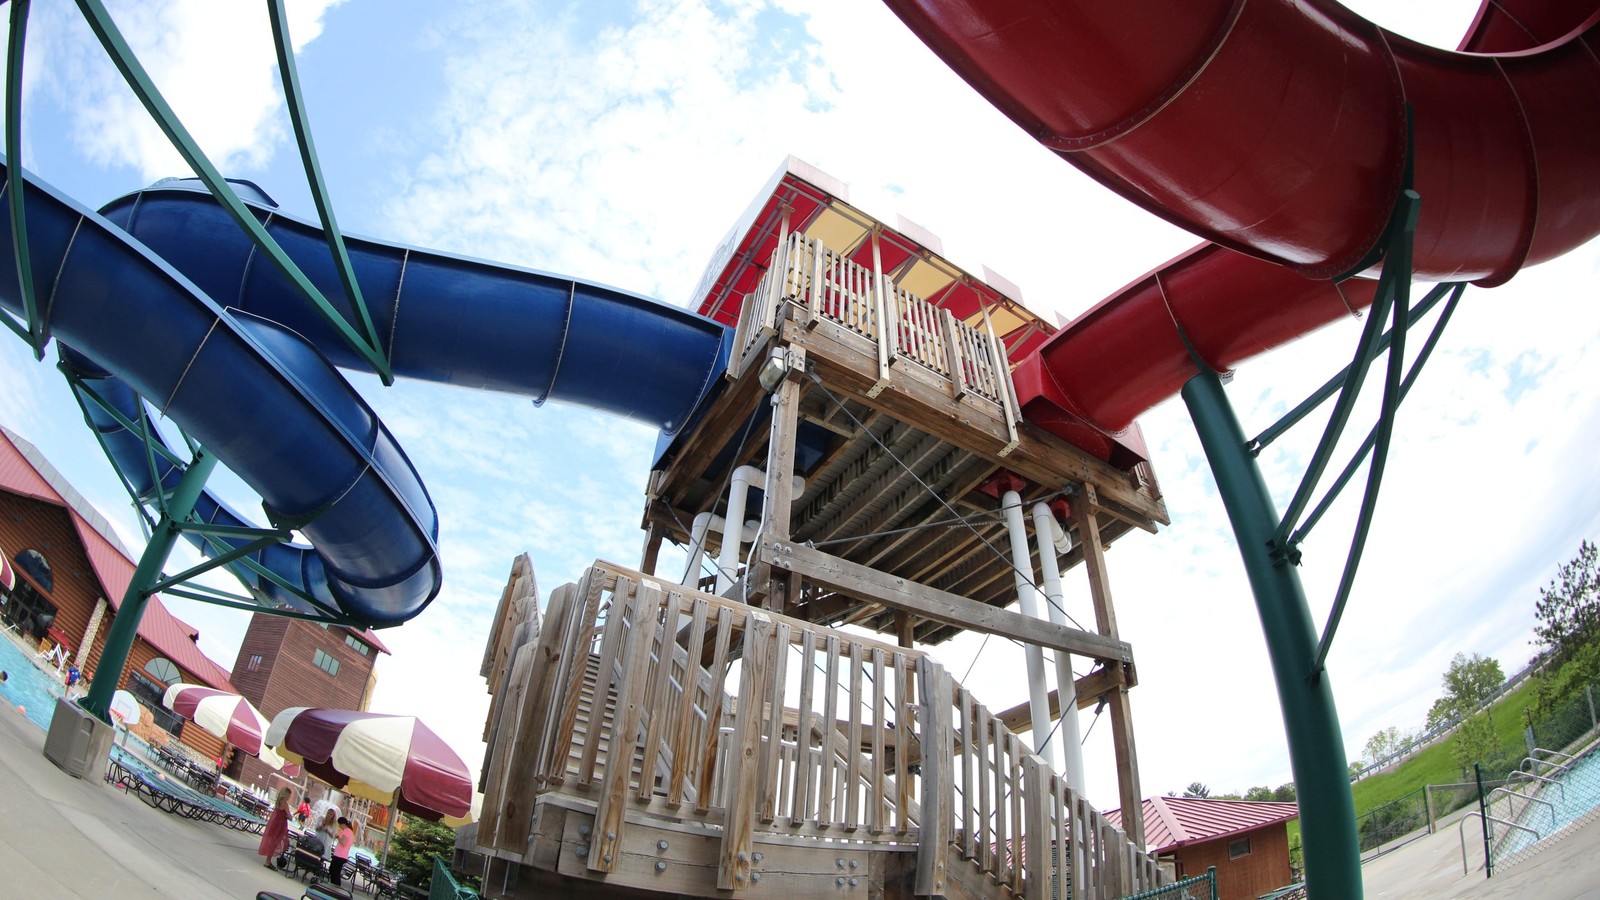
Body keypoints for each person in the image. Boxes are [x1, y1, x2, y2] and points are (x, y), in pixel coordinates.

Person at [259, 788, 293, 869]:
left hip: (274, 823)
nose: (289, 797)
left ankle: (268, 860)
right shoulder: (285, 803)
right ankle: (267, 861)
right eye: (289, 795)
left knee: (271, 841)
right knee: (275, 842)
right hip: (280, 825)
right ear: (286, 795)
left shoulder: (278, 801)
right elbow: (289, 816)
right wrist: (289, 817)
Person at [327, 816, 356, 885]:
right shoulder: (349, 831)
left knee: (335, 872)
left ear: (342, 824)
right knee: (333, 870)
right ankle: (333, 884)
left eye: (339, 825)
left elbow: (343, 842)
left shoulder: (347, 831)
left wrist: (338, 837)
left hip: (340, 855)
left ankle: (335, 886)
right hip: (340, 855)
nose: (339, 827)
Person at [317, 808, 341, 875]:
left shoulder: (334, 824)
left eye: (331, 814)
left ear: (333, 816)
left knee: (322, 858)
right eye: (328, 813)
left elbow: (333, 836)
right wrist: (323, 825)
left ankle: (318, 871)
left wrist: (327, 831)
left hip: (326, 842)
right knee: (315, 854)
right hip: (319, 838)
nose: (329, 815)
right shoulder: (321, 818)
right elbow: (316, 829)